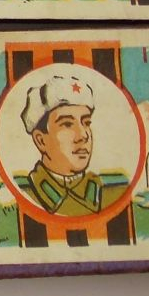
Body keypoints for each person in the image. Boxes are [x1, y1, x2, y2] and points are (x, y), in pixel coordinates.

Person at [18, 72, 125, 216]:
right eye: (67, 124)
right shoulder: (22, 194)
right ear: (41, 140)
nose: (83, 135)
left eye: (86, 123)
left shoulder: (113, 192)